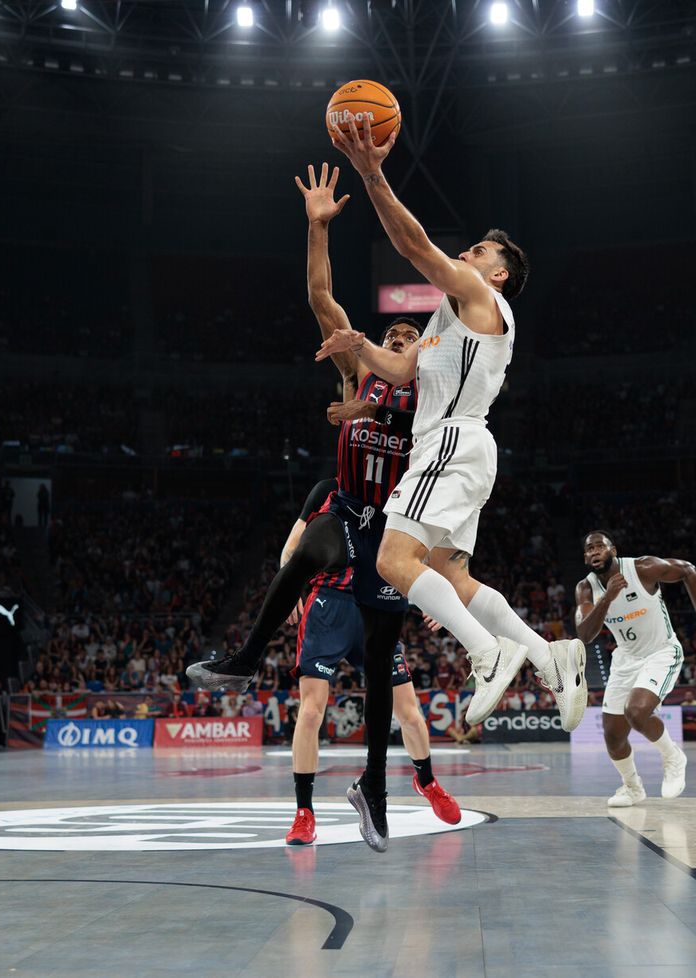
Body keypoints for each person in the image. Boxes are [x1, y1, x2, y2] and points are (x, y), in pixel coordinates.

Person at [187, 162, 441, 850]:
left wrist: (368, 410)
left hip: (392, 542)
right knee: (307, 556)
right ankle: (298, 798)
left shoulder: (433, 399)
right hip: (351, 520)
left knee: (396, 702)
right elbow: (321, 295)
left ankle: (389, 790)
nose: (394, 340)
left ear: (424, 352)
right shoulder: (359, 366)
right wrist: (317, 228)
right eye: (388, 335)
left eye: (407, 338)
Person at [317, 121, 588, 739]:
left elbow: (413, 245)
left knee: (392, 558)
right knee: (454, 577)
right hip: (457, 448)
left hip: (450, 443)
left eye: (482, 253)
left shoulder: (481, 297)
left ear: (497, 277)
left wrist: (370, 172)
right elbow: (403, 369)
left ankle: (487, 653)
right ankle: (550, 657)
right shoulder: (447, 315)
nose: (469, 252)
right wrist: (360, 343)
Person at [277, 478, 462, 847]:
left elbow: (428, 555)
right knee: (312, 711)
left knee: (409, 713)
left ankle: (426, 781)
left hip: (377, 606)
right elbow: (292, 546)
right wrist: (287, 588)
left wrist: (441, 598)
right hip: (329, 604)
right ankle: (304, 813)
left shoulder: (408, 489)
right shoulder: (328, 489)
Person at [573, 532, 696, 806]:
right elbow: (585, 634)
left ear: (613, 550)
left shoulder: (642, 568)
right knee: (612, 734)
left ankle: (673, 757)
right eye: (589, 549)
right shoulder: (585, 589)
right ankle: (632, 788)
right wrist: (607, 598)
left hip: (661, 651)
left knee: (636, 711)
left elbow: (688, 571)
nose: (595, 552)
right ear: (585, 557)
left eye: (600, 546)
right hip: (626, 659)